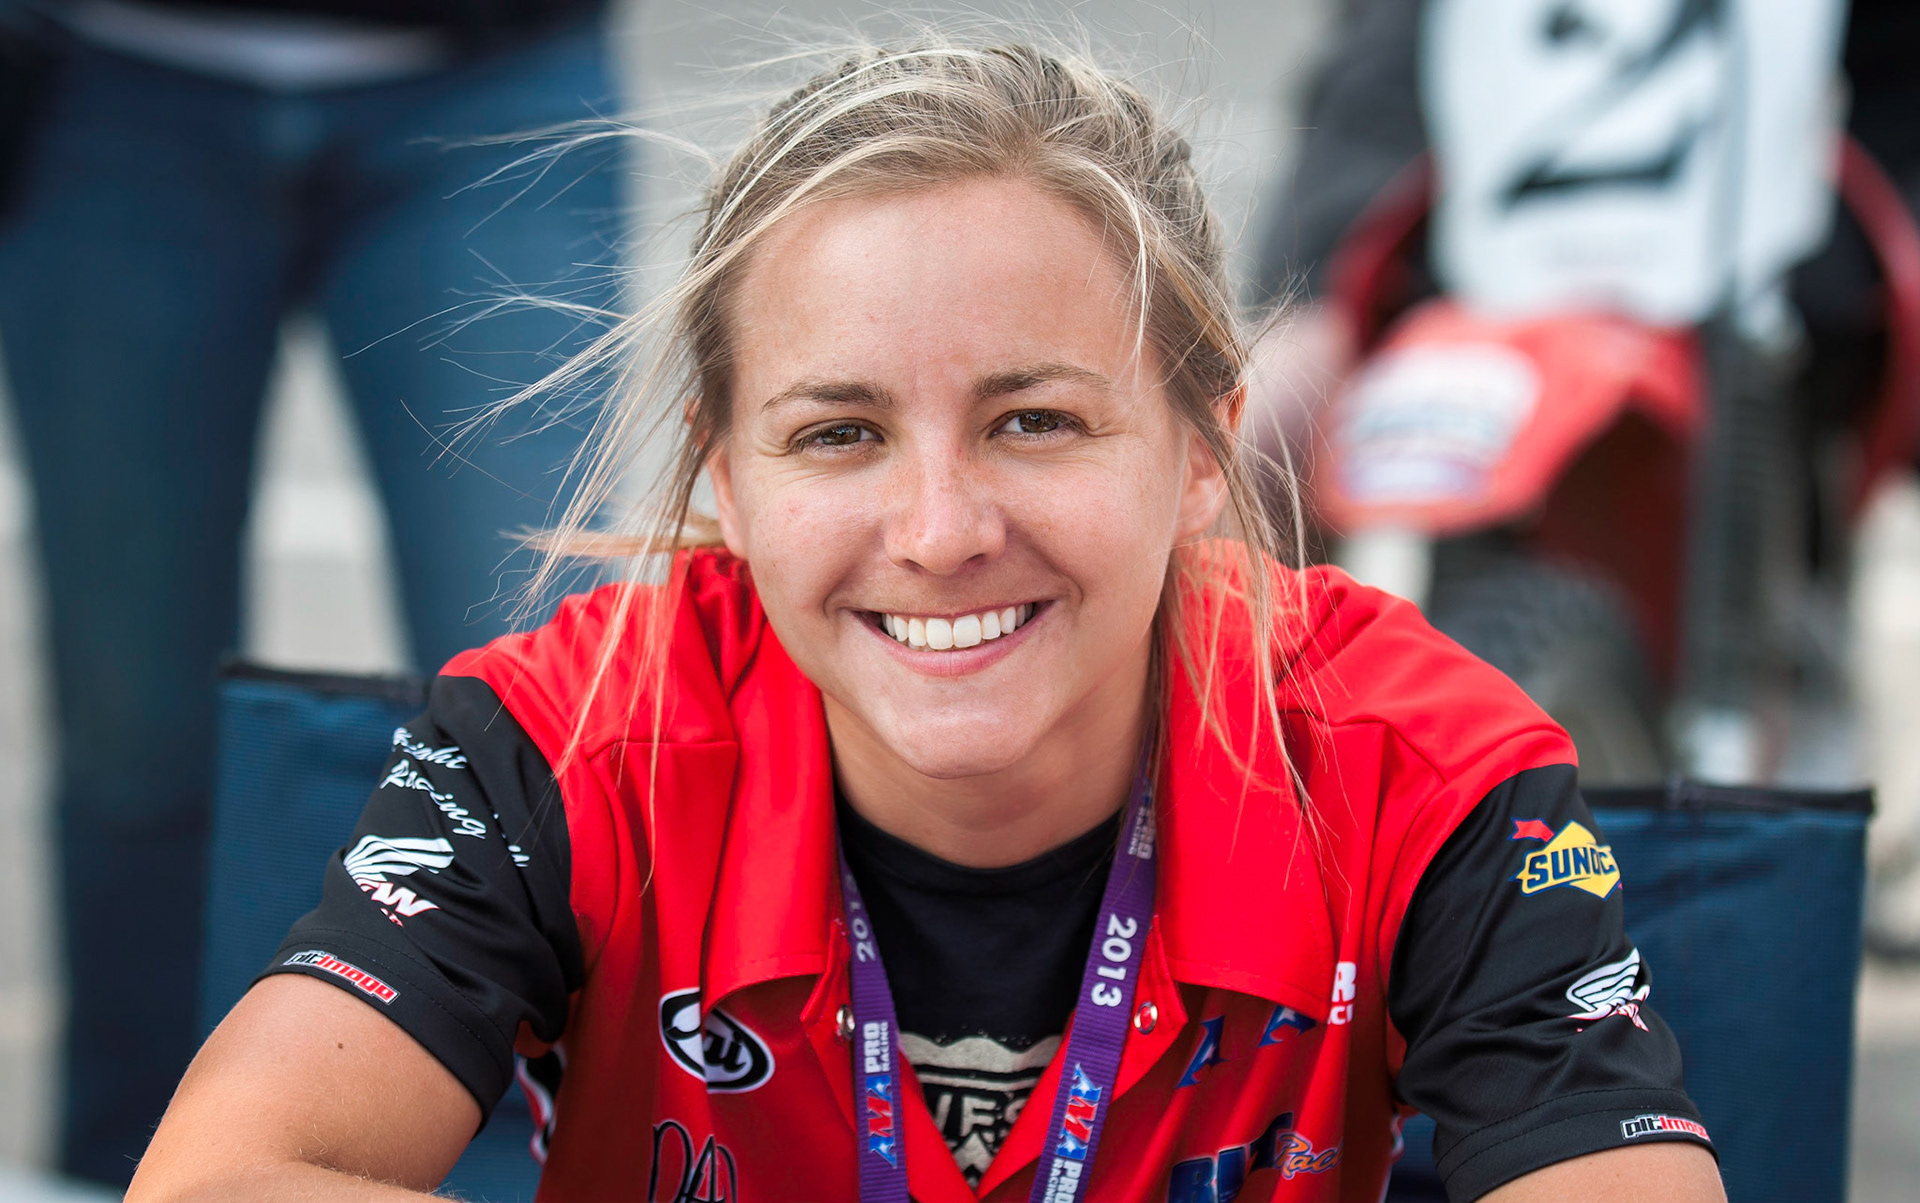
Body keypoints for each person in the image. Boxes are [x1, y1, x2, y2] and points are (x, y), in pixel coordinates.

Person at [126, 42, 1724, 1202]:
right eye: (840, 433)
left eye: (1035, 420)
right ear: (725, 483)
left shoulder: (1422, 765)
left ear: (1195, 453)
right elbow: (225, 1180)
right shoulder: (563, 736)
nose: (944, 532)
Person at [0, 0, 623, 1183]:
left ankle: (553, 1161)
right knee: (136, 730)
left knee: (562, 729)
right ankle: (119, 1159)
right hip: (109, 89)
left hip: (497, 82)